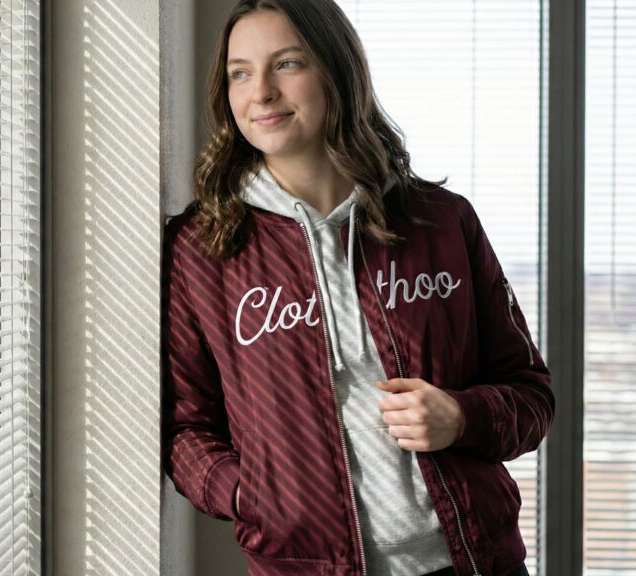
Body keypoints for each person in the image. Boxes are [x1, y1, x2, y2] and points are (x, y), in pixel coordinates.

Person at [161, 1, 554, 575]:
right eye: (240, 72)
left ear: (337, 71)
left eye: (287, 64)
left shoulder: (441, 223)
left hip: (474, 560)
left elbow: (532, 394)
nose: (261, 92)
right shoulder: (203, 249)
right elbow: (185, 428)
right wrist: (250, 496)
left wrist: (461, 416)